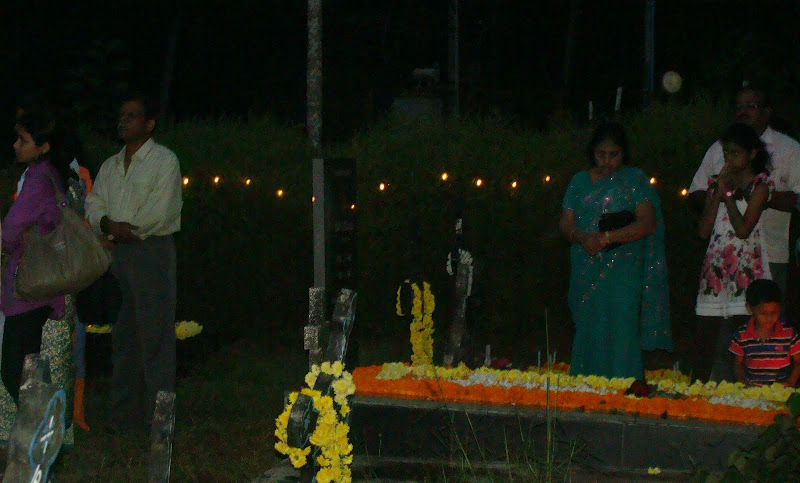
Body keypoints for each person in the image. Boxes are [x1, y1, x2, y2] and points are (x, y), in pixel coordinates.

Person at [85, 94, 182, 433]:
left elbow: (161, 210)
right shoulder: (110, 165)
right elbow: (94, 202)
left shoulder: (164, 161)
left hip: (150, 250)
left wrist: (122, 230)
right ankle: (124, 418)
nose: (123, 121)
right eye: (122, 115)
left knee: (156, 336)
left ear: (149, 124)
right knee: (123, 337)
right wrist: (107, 224)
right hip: (118, 254)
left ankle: (160, 420)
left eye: (132, 116)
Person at [559, 121, 672, 379]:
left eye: (613, 154)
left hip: (624, 267)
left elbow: (647, 223)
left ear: (623, 153)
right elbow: (566, 223)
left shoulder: (634, 180)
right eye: (601, 154)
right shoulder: (579, 181)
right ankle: (585, 387)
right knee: (588, 326)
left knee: (622, 327)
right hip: (586, 265)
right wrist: (583, 237)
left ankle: (623, 387)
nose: (607, 161)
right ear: (592, 152)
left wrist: (607, 238)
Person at [689, 84, 800, 303]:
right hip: (723, 252)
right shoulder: (719, 148)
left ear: (767, 111)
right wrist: (716, 199)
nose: (743, 112)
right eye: (739, 106)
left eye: (751, 106)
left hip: (770, 253)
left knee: (765, 317)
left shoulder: (789, 149)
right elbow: (695, 192)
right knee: (722, 319)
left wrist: (762, 197)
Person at [1, 109, 72, 405]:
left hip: (30, 288)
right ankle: (44, 425)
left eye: (23, 140)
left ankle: (45, 424)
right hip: (40, 286)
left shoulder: (37, 180)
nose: (16, 145)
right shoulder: (48, 175)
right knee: (28, 371)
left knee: (15, 371)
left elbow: (9, 232)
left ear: (43, 147)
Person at [694, 123, 773, 382]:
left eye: (736, 153)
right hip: (717, 265)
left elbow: (743, 229)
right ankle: (698, 389)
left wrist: (728, 198)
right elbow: (703, 231)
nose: (730, 158)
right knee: (706, 331)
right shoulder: (717, 184)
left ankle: (745, 391)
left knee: (745, 334)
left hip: (745, 267)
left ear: (752, 153)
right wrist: (717, 194)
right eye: (726, 153)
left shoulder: (760, 185)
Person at [730, 279, 800, 387]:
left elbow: (798, 362)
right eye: (763, 313)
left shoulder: (790, 334)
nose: (769, 318)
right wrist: (743, 384)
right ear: (750, 309)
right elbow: (737, 364)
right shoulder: (741, 335)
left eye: (774, 313)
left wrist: (790, 383)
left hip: (779, 392)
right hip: (752, 392)